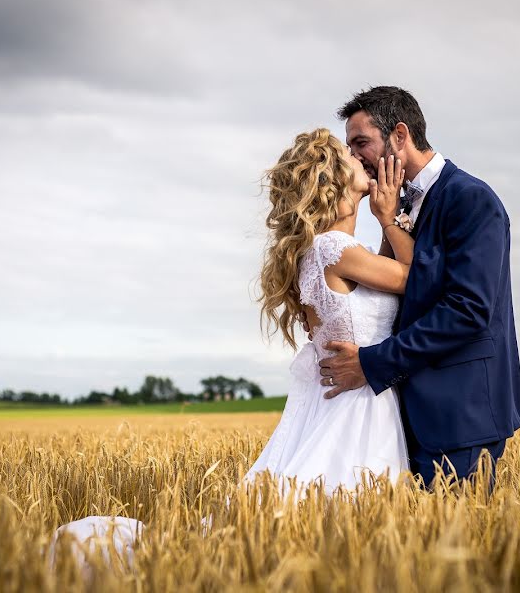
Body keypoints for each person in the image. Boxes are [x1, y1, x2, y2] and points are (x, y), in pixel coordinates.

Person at [50, 127, 418, 568]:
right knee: (338, 524)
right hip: (358, 405)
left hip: (350, 397)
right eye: (349, 154)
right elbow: (417, 279)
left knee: (318, 524)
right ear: (331, 180)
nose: (362, 160)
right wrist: (390, 216)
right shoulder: (336, 248)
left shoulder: (326, 250)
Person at [318, 86, 520, 490]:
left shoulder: (470, 200)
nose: (355, 156)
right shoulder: (396, 204)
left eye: (361, 143)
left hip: (460, 412)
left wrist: (372, 362)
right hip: (403, 416)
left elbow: (467, 310)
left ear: (399, 135)